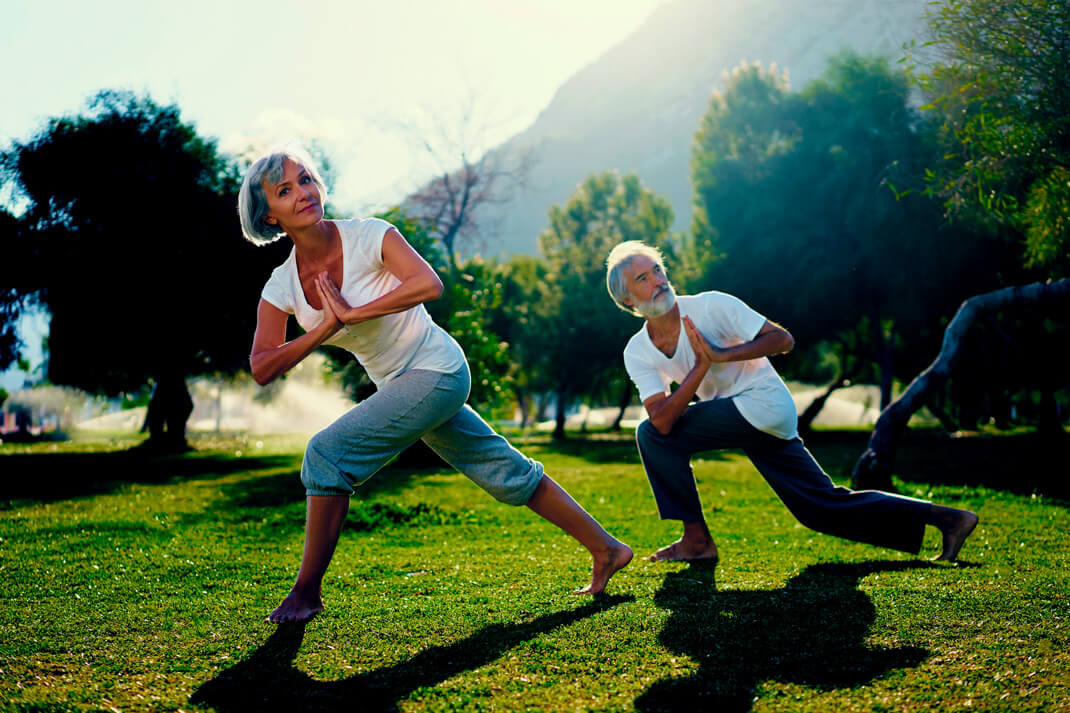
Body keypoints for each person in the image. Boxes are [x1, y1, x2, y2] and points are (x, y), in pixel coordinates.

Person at [239, 145, 632, 623]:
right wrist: (324, 329)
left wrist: (354, 313)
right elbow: (262, 367)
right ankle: (606, 548)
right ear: (270, 218)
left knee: (325, 454)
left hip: (437, 370)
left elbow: (428, 285)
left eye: (305, 179)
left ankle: (305, 593)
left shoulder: (370, 236)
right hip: (399, 387)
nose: (303, 192)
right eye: (285, 190)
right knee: (502, 468)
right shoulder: (281, 286)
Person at [604, 240, 978, 564]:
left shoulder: (711, 306)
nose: (658, 281)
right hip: (741, 417)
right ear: (626, 300)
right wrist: (700, 368)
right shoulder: (638, 351)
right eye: (643, 279)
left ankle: (697, 541)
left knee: (649, 436)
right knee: (819, 510)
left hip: (763, 405)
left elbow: (782, 340)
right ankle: (948, 519)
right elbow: (664, 420)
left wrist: (717, 356)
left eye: (657, 270)